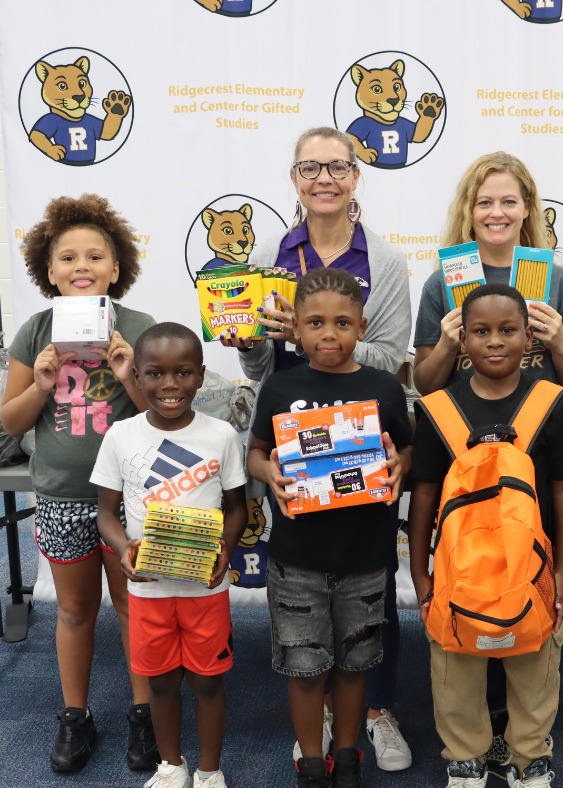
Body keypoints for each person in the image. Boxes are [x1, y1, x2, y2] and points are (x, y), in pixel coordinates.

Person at [224, 125, 413, 771]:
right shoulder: (276, 253)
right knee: (304, 582)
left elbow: (391, 358)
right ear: (295, 178)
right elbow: (262, 375)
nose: (324, 178)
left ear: (357, 177)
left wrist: (324, 340)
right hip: (299, 445)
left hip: (360, 444)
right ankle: (321, 716)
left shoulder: (383, 261)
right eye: (310, 167)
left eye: (337, 166)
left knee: (369, 587)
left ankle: (375, 712)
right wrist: (255, 339)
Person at [1, 194, 158, 774]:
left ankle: (145, 713)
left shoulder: (138, 329)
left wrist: (128, 375)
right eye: (68, 257)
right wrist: (42, 384)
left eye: (96, 256)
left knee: (133, 603)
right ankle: (75, 714)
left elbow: (162, 415)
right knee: (73, 610)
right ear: (49, 270)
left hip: (128, 496)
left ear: (117, 270)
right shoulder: (35, 331)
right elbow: (11, 421)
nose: (82, 266)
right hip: (63, 494)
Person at [408, 283, 563, 788]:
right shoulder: (437, 408)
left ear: (530, 337)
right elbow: (423, 496)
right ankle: (464, 758)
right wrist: (419, 574)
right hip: (456, 575)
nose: (494, 341)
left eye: (508, 330)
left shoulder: (551, 402)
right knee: (455, 673)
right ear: (461, 340)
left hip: (534, 572)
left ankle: (531, 759)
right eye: (480, 331)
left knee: (534, 671)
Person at [247, 267, 412, 788]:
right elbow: (255, 451)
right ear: (294, 327)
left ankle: (347, 755)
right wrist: (268, 471)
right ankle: (312, 761)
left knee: (354, 664)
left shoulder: (383, 386)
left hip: (366, 556)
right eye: (314, 322)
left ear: (362, 327)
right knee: (305, 666)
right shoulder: (279, 385)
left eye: (343, 322)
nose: (329, 334)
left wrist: (399, 463)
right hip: (297, 557)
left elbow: (404, 448)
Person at [91, 322, 248, 788]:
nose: (170, 385)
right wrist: (123, 549)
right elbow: (105, 513)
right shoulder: (120, 436)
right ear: (136, 376)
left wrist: (226, 548)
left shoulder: (220, 435)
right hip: (149, 590)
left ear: (201, 376)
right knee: (160, 682)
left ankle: (209, 770)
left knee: (207, 682)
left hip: (205, 587)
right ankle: (171, 765)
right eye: (156, 374)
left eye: (183, 373)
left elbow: (238, 508)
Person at [412, 151, 563, 398]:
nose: (497, 213)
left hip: (542, 426)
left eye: (509, 202)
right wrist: (447, 345)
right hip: (463, 427)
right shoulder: (441, 283)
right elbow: (426, 387)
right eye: (484, 203)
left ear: (527, 208)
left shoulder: (558, 280)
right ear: (468, 210)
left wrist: (560, 343)